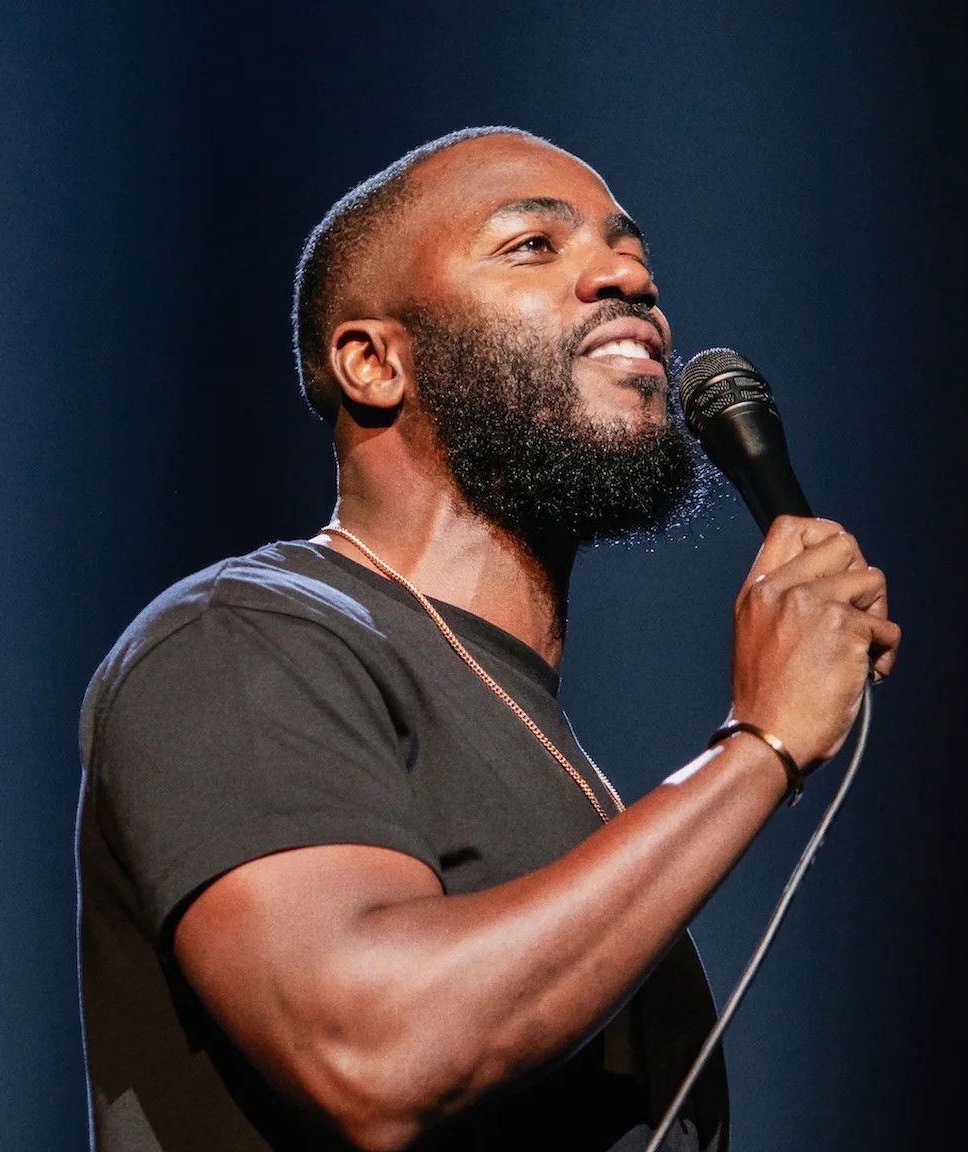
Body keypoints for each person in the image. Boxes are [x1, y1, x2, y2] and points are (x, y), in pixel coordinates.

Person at [75, 126, 898, 1152]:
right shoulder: (240, 640)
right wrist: (758, 746)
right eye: (532, 246)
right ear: (374, 363)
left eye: (630, 251)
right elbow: (370, 1050)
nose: (628, 279)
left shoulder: (543, 747)